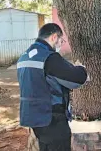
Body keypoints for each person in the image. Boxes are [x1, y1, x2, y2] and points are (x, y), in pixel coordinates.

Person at [17, 23, 89, 151]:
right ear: (54, 37)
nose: (61, 45)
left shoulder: (24, 56)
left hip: (33, 117)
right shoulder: (49, 57)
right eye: (61, 41)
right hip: (51, 118)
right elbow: (76, 79)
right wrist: (81, 69)